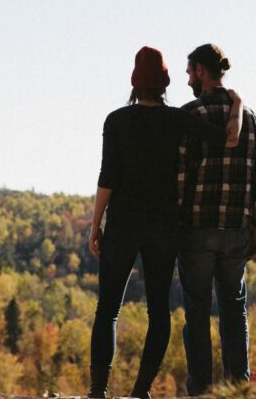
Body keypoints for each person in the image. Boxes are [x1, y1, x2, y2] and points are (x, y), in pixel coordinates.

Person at [87, 46, 242, 399]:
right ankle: (140, 391)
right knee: (158, 311)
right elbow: (227, 139)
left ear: (134, 83)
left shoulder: (116, 121)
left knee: (108, 309)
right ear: (165, 83)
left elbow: (107, 177)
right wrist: (237, 103)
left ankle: (98, 392)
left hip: (123, 224)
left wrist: (96, 225)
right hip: (163, 227)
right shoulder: (177, 120)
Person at [176, 44, 256, 395]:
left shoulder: (190, 115)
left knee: (196, 312)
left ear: (200, 70)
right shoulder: (251, 119)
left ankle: (200, 390)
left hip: (197, 229)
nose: (187, 78)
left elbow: (181, 177)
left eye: (189, 72)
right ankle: (237, 389)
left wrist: (177, 224)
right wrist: (255, 226)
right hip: (235, 231)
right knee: (234, 310)